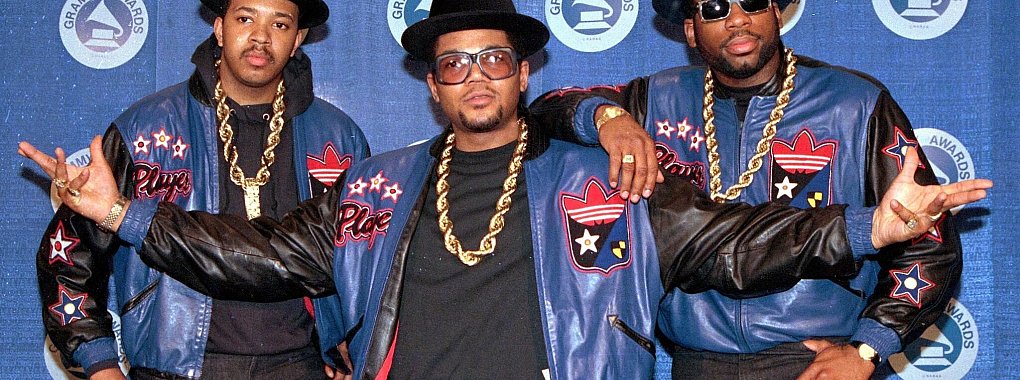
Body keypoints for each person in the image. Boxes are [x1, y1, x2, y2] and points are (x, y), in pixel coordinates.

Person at [20, 0, 989, 378]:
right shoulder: (379, 183)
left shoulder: (605, 174)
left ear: (525, 74)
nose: (475, 75)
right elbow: (259, 251)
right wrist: (119, 212)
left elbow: (735, 239)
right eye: (453, 63)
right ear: (431, 85)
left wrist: (869, 221)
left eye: (493, 58)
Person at [529, 0, 974, 378]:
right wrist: (607, 119)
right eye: (715, 7)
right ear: (690, 30)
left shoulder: (854, 102)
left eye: (753, 1)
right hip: (696, 362)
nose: (737, 18)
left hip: (812, 360)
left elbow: (928, 240)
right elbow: (543, 110)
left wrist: (867, 348)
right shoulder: (653, 100)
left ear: (777, 13)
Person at [31, 0, 369, 378]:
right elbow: (68, 254)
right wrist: (100, 363)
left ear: (297, 39)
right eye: (245, 18)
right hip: (177, 368)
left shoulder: (340, 139)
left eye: (279, 24)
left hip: (301, 367)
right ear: (220, 28)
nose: (260, 37)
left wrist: (347, 341)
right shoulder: (145, 130)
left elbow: (362, 264)